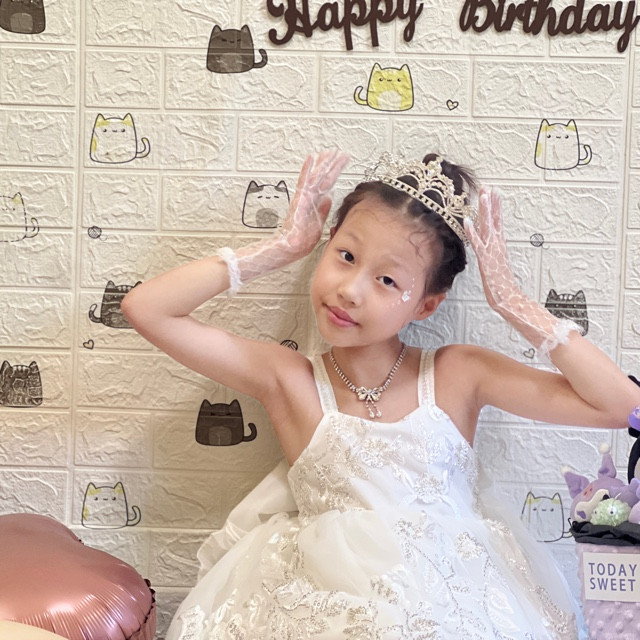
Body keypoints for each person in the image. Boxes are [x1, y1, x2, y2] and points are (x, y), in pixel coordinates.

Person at [122, 149, 640, 639]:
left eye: (387, 280)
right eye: (345, 256)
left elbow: (621, 406)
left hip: (459, 605)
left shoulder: (459, 373)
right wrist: (281, 247)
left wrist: (511, 302)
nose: (350, 290)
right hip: (321, 606)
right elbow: (146, 309)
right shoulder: (290, 379)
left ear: (426, 305)